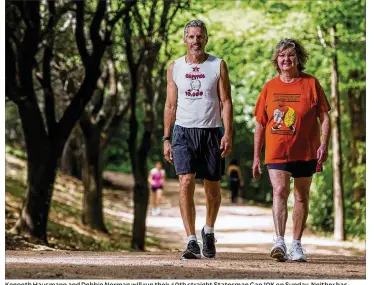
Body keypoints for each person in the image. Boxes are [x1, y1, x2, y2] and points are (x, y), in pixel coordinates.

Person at [252, 38, 331, 262]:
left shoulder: (311, 84)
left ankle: (296, 244)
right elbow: (260, 123)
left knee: (301, 196)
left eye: (290, 55)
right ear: (276, 61)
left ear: (298, 58)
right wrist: (256, 156)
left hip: (306, 151)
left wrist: (324, 144)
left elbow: (324, 117)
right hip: (276, 152)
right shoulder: (269, 87)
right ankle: (279, 241)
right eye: (282, 56)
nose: (286, 59)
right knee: (279, 191)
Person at [163, 19, 233, 260]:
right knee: (186, 181)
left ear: (206, 39)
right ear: (185, 40)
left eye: (199, 36)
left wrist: (228, 132)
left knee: (212, 187)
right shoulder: (175, 67)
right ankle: (191, 240)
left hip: (212, 131)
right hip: (183, 131)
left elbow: (225, 101)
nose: (195, 41)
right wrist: (166, 137)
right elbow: (170, 104)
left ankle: (209, 231)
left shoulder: (218, 65)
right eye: (191, 37)